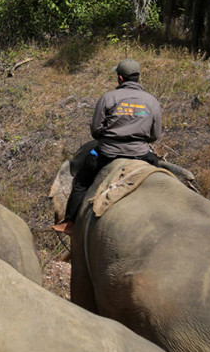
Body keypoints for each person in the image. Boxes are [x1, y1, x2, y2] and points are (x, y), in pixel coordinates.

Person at [53, 59, 162, 234]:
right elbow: (155, 135)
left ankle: (70, 222)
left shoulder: (108, 98)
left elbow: (96, 130)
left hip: (107, 153)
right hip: (141, 154)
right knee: (161, 176)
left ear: (120, 78)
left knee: (81, 182)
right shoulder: (152, 101)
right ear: (138, 77)